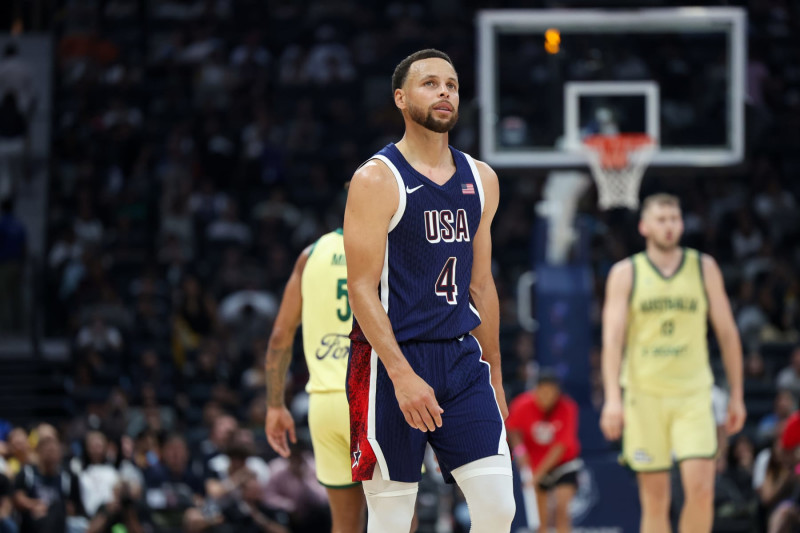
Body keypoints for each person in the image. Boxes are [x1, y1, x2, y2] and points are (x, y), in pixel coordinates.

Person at [343, 48, 515, 533]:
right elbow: (360, 288)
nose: (445, 92)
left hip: (461, 360)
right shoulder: (377, 178)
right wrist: (401, 375)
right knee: (393, 518)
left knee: (498, 506)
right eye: (431, 83)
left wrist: (497, 376)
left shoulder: (482, 178)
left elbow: (481, 283)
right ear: (400, 98)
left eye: (453, 85)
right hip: (388, 363)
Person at [600, 193, 746, 533]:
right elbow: (612, 340)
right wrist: (612, 398)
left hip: (693, 395)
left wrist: (736, 394)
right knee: (655, 500)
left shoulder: (703, 267)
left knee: (701, 490)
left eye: (674, 218)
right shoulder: (626, 272)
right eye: (661, 219)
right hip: (644, 396)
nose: (669, 226)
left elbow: (727, 333)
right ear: (644, 226)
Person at [264, 227, 366, 533]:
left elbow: (280, 336)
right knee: (398, 521)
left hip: (323, 403)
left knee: (344, 525)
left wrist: (274, 405)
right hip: (372, 398)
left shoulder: (310, 255)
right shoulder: (389, 246)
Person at [507, 369, 581, 533]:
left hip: (564, 463)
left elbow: (560, 447)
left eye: (552, 391)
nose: (547, 396)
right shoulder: (521, 404)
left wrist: (537, 476)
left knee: (562, 509)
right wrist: (520, 451)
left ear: (557, 392)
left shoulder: (568, 407)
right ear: (536, 390)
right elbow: (513, 430)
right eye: (543, 391)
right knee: (542, 518)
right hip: (535, 463)